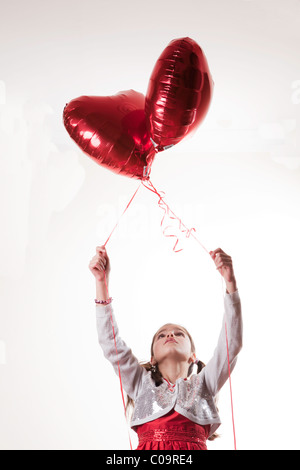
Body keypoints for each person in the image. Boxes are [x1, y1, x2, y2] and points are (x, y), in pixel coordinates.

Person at [89, 245, 242, 450]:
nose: (170, 334)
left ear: (192, 356)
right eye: (162, 335)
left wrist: (230, 283)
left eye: (179, 333)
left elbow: (231, 343)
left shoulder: (205, 383)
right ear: (152, 358)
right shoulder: (140, 384)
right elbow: (110, 342)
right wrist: (102, 283)